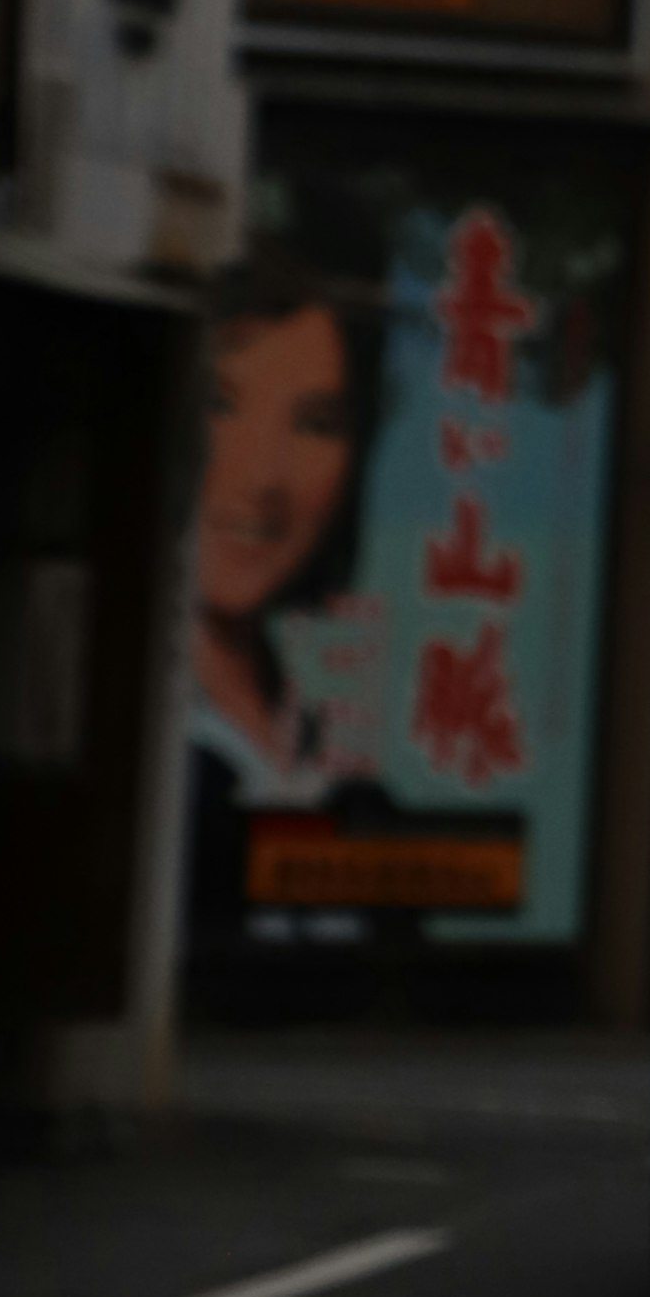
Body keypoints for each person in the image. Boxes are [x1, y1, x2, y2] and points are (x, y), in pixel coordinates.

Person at [186, 255, 383, 936]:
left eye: (314, 423)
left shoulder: (345, 766)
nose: (264, 474)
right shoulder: (143, 734)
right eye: (222, 405)